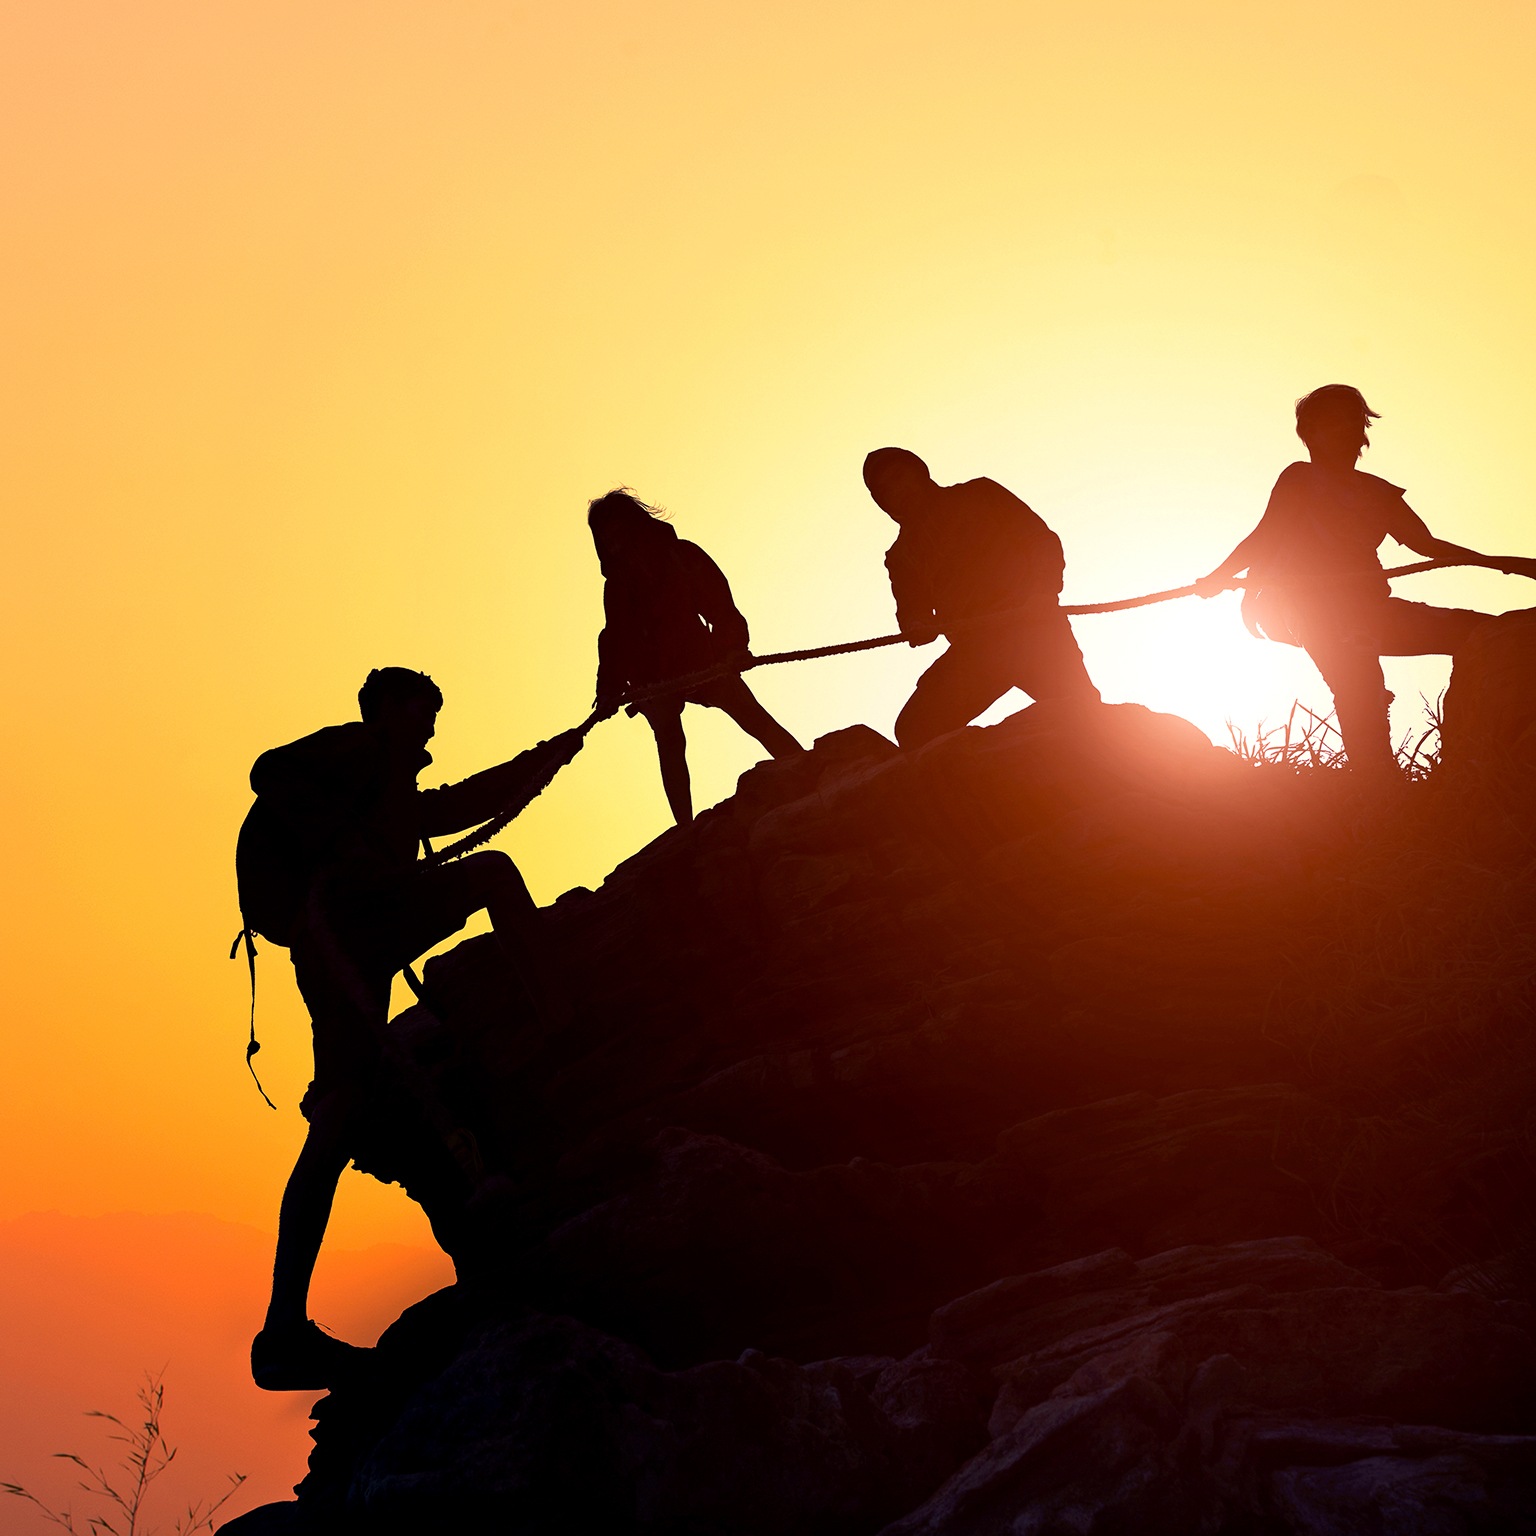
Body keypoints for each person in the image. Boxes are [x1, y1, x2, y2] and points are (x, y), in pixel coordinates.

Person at [240, 667, 581, 1390]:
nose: (429, 731)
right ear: (389, 710)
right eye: (423, 715)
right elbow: (268, 770)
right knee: (493, 874)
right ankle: (565, 1026)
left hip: (346, 943)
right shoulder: (361, 749)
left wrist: (552, 755)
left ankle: (283, 1327)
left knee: (339, 1116)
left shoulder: (383, 784)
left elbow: (451, 808)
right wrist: (344, 853)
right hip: (353, 928)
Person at [1195, 384, 1536, 777]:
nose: (1348, 430)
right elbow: (1265, 536)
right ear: (1311, 432)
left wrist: (1507, 564)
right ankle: (1377, 786)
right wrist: (1218, 577)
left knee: (1488, 634)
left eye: (1354, 422)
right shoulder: (1300, 478)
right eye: (1335, 422)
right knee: (1360, 685)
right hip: (1311, 609)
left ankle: (1482, 758)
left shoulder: (1378, 493)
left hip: (1370, 609)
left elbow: (1428, 545)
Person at [863, 448, 1102, 748]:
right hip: (976, 651)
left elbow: (1040, 540)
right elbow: (913, 612)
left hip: (1033, 630)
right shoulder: (901, 557)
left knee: (1086, 716)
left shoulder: (979, 494)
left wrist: (1042, 592)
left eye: (899, 477)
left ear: (919, 472)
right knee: (915, 729)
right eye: (885, 489)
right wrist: (916, 626)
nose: (896, 490)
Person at [588, 490, 802, 824]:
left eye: (620, 532)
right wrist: (608, 691)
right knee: (669, 740)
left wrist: (734, 649)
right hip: (651, 677)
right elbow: (614, 639)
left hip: (700, 660)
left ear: (636, 525)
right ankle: (685, 828)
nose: (617, 544)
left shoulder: (681, 556)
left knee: (751, 715)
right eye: (608, 539)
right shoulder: (616, 585)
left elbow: (720, 606)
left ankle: (804, 768)